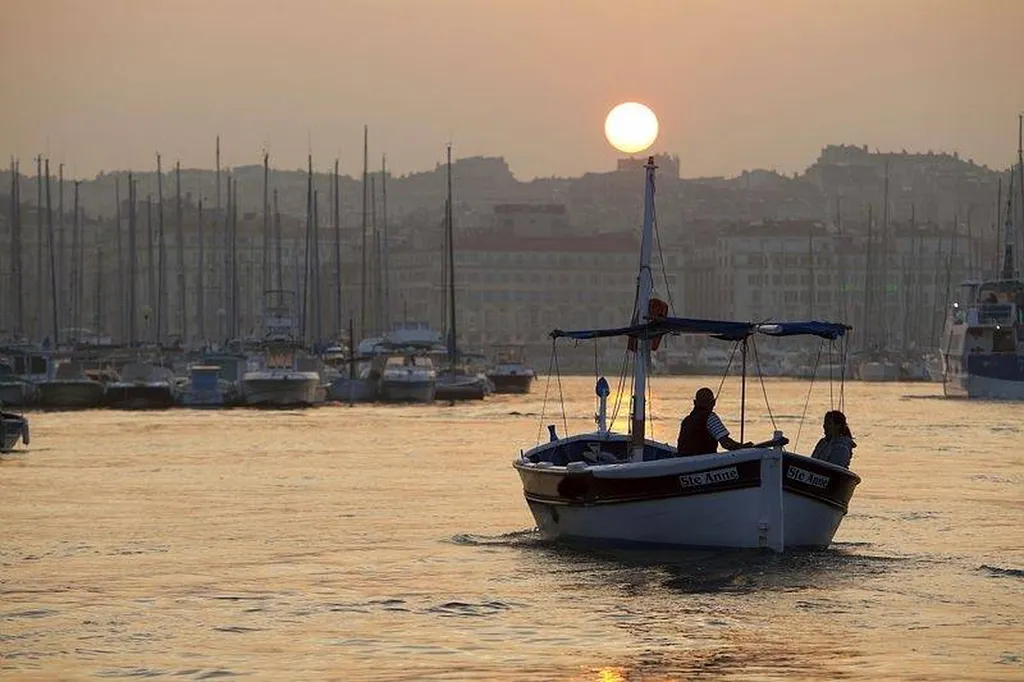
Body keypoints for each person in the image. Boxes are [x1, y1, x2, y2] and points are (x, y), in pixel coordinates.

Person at [677, 387, 752, 456]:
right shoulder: (710, 417)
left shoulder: (686, 420)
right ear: (713, 403)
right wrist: (743, 447)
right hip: (703, 462)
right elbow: (726, 443)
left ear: (694, 402)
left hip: (684, 460)